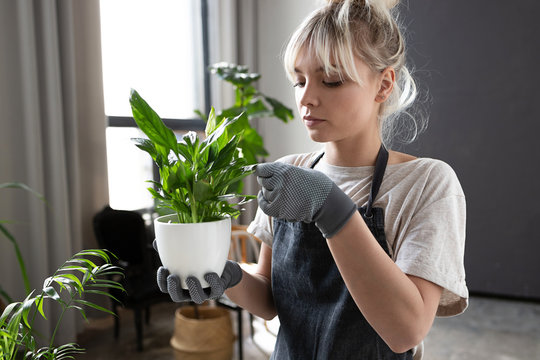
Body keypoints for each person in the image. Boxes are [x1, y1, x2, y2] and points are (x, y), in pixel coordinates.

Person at [156, 0, 468, 358]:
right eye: (299, 81)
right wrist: (225, 277)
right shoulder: (293, 171)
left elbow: (405, 331)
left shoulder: (425, 184)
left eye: (331, 80)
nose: (306, 97)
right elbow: (271, 300)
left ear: (383, 86)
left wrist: (333, 209)